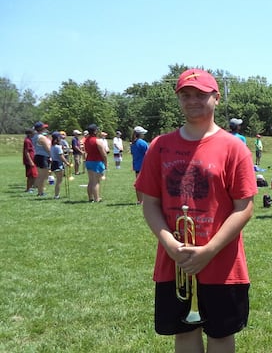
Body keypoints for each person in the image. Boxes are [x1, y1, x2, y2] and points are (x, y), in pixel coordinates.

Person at [136, 68, 257, 352]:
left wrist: (209, 250)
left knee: (221, 337)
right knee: (184, 334)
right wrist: (170, 244)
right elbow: (150, 202)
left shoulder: (233, 147)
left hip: (222, 263)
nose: (193, 101)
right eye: (186, 95)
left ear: (216, 98)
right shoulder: (160, 146)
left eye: (201, 95)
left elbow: (244, 207)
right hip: (175, 261)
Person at [83, 124, 107, 202]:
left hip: (88, 160)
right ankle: (97, 198)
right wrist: (106, 163)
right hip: (96, 161)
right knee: (96, 181)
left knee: (91, 180)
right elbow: (104, 154)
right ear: (95, 131)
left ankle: (90, 197)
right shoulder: (97, 141)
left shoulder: (86, 140)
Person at [130, 126, 150, 204]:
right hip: (144, 165)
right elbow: (149, 153)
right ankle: (144, 200)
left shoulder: (133, 143)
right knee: (145, 183)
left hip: (137, 166)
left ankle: (140, 200)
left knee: (138, 183)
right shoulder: (142, 143)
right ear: (140, 134)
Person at [32, 121, 52, 197]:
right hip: (43, 157)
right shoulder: (42, 138)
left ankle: (40, 191)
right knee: (43, 176)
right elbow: (48, 149)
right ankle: (41, 192)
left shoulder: (35, 136)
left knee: (41, 176)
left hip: (38, 156)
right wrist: (52, 156)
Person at [49, 132, 71, 199]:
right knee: (59, 181)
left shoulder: (52, 146)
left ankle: (57, 195)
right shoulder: (58, 147)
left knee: (58, 180)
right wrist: (67, 163)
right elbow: (61, 156)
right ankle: (56, 195)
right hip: (58, 164)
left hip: (54, 163)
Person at [23, 128, 38, 193]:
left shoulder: (30, 140)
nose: (34, 134)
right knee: (30, 175)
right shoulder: (27, 141)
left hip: (33, 159)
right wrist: (30, 161)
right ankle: (28, 189)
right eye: (33, 133)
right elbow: (26, 152)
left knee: (34, 175)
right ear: (29, 134)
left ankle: (31, 187)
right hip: (29, 161)